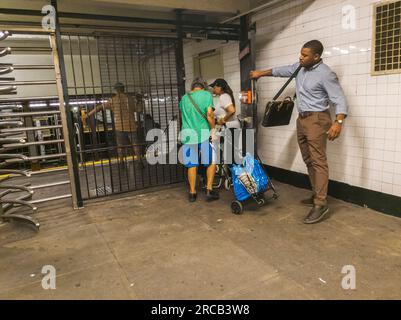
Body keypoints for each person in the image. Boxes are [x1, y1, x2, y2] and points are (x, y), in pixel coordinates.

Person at [250, 40, 348, 224]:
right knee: (308, 159)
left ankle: (321, 203)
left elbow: (339, 98)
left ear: (316, 57)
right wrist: (260, 74)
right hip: (302, 119)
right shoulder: (300, 67)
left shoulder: (326, 74)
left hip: (318, 119)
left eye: (304, 55)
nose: (300, 57)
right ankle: (316, 194)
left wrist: (339, 121)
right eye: (300, 54)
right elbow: (281, 70)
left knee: (318, 161)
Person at [180, 77, 219, 203]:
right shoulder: (206, 95)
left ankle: (192, 193)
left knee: (192, 165)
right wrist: (213, 130)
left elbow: (184, 115)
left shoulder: (184, 98)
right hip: (203, 134)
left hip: (188, 134)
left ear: (192, 87)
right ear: (203, 87)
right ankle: (209, 189)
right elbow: (209, 114)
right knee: (211, 161)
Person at [83, 82, 144, 163]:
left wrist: (87, 115)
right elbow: (139, 110)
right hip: (131, 126)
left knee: (120, 146)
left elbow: (99, 107)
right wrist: (139, 101)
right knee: (135, 144)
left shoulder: (113, 100)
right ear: (123, 89)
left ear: (116, 90)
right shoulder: (130, 99)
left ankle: (121, 162)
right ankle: (139, 161)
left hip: (119, 127)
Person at [209, 78, 241, 165]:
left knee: (230, 155)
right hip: (229, 127)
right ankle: (231, 175)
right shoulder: (224, 96)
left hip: (230, 127)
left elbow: (232, 110)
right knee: (230, 154)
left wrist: (222, 120)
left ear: (220, 87)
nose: (213, 89)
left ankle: (234, 176)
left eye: (214, 87)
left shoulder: (224, 97)